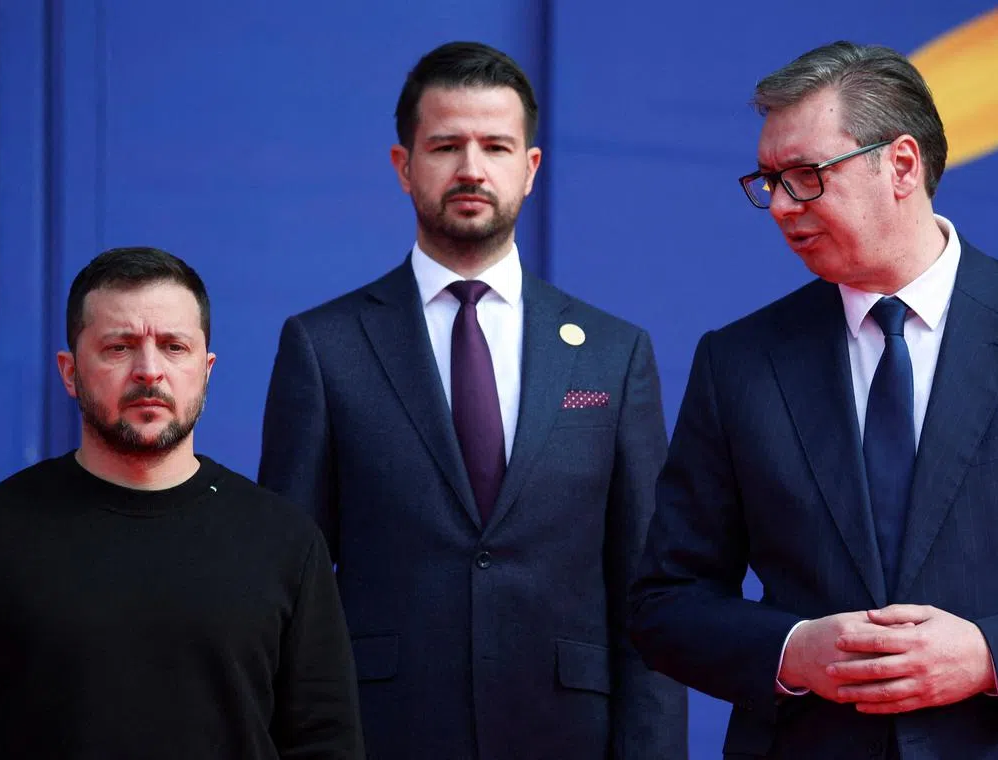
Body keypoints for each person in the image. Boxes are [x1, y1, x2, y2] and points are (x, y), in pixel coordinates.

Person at [628, 41, 998, 758]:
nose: (782, 207)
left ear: (902, 166)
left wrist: (990, 656)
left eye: (806, 176)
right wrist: (792, 649)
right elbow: (665, 602)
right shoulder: (739, 362)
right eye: (768, 181)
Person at [259, 41, 686, 760]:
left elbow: (648, 593)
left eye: (495, 145)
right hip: (383, 734)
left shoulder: (615, 354)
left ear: (531, 168)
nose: (471, 168)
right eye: (445, 146)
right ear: (403, 166)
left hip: (567, 737)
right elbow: (284, 592)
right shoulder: (323, 347)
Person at [0, 247, 365, 759]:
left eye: (174, 347)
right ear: (69, 372)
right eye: (119, 347)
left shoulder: (285, 541)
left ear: (206, 368)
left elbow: (327, 742)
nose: (149, 371)